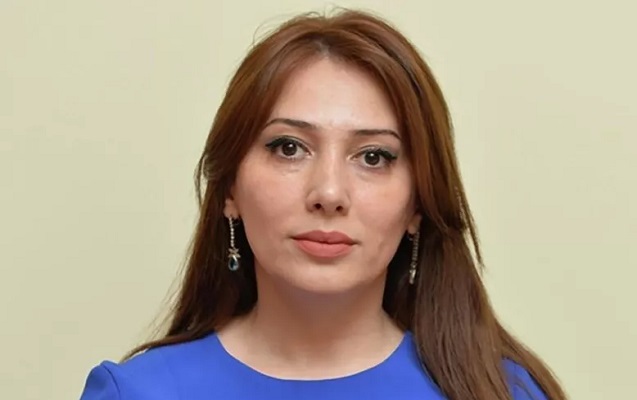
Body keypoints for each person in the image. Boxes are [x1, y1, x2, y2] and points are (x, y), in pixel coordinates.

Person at [79, 9, 566, 400]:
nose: (329, 193)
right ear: (229, 189)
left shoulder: (502, 392)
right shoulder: (136, 393)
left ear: (418, 203)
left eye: (373, 156)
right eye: (289, 148)